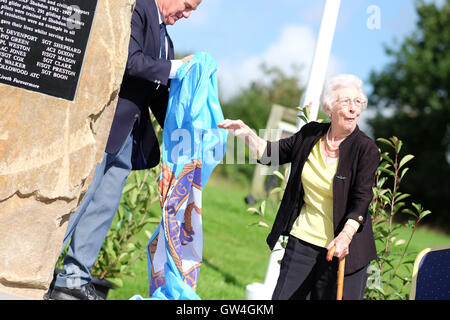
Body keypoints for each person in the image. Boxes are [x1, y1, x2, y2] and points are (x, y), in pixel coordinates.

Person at [50, 0, 202, 300]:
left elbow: (157, 97)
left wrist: (191, 132)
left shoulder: (166, 43)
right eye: (186, 6)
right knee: (78, 203)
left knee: (102, 208)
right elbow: (128, 61)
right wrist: (175, 68)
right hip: (100, 127)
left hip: (127, 138)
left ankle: (73, 279)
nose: (185, 15)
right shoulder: (138, 8)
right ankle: (39, 269)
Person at [218, 74, 380, 300]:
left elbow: (362, 199)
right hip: (303, 241)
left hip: (344, 250)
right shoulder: (310, 134)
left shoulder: (366, 149)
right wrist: (246, 133)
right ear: (329, 107)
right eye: (346, 101)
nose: (354, 108)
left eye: (358, 102)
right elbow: (269, 154)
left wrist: (345, 236)